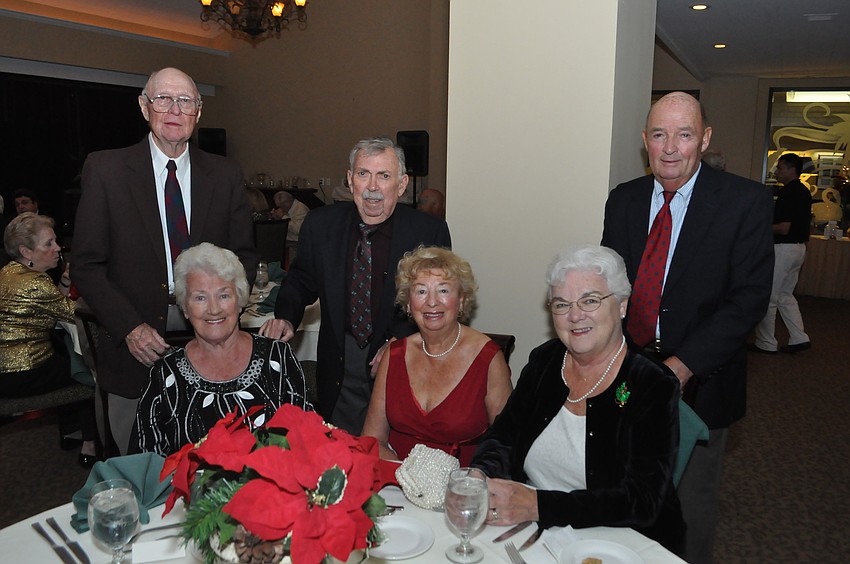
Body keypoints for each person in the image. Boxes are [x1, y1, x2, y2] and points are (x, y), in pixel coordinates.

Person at [601, 91, 773, 563]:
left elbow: (749, 299)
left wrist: (683, 366)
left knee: (689, 511)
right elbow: (611, 284)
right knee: (623, 493)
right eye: (660, 134)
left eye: (684, 134)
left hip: (701, 382)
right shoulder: (624, 200)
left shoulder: (745, 201)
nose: (671, 147)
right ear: (645, 140)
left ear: (705, 139)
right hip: (627, 375)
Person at [72, 67, 257, 454]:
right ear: (144, 107)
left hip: (212, 345)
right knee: (138, 470)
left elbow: (245, 255)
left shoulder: (224, 174)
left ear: (199, 112)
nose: (174, 109)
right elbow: (86, 265)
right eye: (163, 99)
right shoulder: (106, 170)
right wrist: (129, 328)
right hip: (136, 348)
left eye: (185, 101)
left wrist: (225, 313)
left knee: (213, 462)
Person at [472, 245, 685, 554]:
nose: (574, 315)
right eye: (561, 304)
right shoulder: (545, 361)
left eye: (590, 300)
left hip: (621, 542)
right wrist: (480, 475)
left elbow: (642, 500)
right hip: (533, 529)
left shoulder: (651, 383)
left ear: (622, 305)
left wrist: (540, 505)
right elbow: (504, 436)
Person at [260, 136, 451, 435]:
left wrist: (400, 342)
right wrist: (285, 315)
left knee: (395, 454)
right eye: (363, 174)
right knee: (343, 454)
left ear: (401, 185)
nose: (372, 187)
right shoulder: (321, 225)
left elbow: (439, 304)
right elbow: (301, 280)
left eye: (384, 176)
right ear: (350, 180)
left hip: (404, 360)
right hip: (341, 363)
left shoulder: (427, 232)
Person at [131, 244, 311, 456]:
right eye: (200, 297)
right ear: (185, 308)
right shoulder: (165, 375)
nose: (214, 309)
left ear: (240, 301)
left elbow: (309, 439)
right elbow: (146, 463)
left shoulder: (278, 358)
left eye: (224, 295)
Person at [362, 246, 511, 466]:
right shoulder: (394, 356)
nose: (432, 302)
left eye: (443, 290)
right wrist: (405, 476)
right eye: (421, 291)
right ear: (409, 305)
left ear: (460, 301)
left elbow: (507, 444)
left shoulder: (488, 359)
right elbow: (372, 440)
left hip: (463, 485)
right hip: (398, 481)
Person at [1, 213, 97, 466]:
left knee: (67, 354)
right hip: (23, 372)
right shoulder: (36, 283)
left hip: (6, 372)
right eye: (49, 244)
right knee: (94, 375)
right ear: (26, 251)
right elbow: (79, 315)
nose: (58, 248)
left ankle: (71, 431)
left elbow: (51, 307)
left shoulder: (8, 273)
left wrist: (65, 280)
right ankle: (92, 444)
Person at [752, 152, 813, 354]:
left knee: (769, 297)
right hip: (799, 248)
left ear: (790, 169)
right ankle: (799, 337)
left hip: (783, 249)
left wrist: (759, 227)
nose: (777, 172)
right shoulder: (804, 191)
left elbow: (783, 228)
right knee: (786, 295)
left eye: (779, 168)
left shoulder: (788, 192)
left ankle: (767, 342)